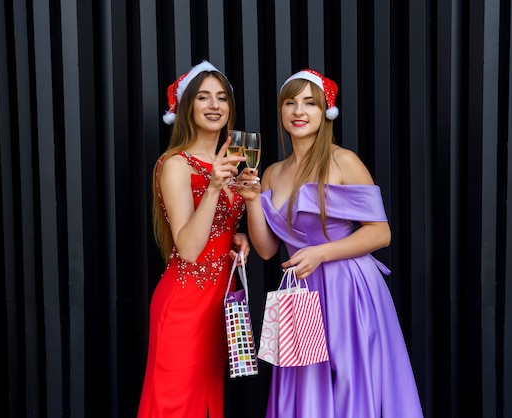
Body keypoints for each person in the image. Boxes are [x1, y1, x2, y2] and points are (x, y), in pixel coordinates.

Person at [237, 69, 424, 417]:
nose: (299, 111)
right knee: (305, 383)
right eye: (290, 102)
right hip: (299, 293)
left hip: (347, 288)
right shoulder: (273, 172)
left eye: (310, 103)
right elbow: (266, 250)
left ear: (326, 112)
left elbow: (380, 233)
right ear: (280, 111)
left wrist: (321, 253)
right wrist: (251, 200)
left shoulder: (343, 161)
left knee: (349, 381)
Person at [138, 60, 250, 418]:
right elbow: (187, 247)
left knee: (205, 405)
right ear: (187, 107)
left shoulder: (233, 162)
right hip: (185, 304)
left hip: (220, 305)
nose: (215, 105)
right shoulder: (174, 164)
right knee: (175, 406)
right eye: (203, 97)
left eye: (222, 97)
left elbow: (218, 227)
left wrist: (237, 236)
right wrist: (216, 186)